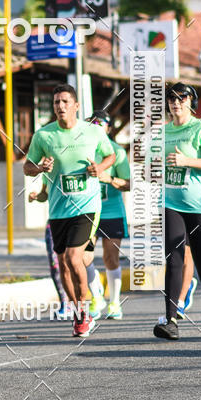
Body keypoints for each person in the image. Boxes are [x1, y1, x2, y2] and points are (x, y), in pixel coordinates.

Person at [23, 84, 116, 337]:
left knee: (75, 258)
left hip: (87, 206)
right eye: (56, 103)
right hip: (58, 210)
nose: (60, 106)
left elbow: (110, 156)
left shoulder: (92, 132)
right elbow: (27, 167)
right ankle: (77, 313)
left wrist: (99, 167)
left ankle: (85, 312)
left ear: (76, 106)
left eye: (65, 101)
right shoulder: (44, 136)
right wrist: (40, 168)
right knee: (63, 263)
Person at [154, 83, 201, 340]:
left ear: (190, 102)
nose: (176, 102)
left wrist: (187, 162)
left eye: (182, 98)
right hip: (171, 204)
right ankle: (170, 321)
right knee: (173, 257)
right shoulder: (162, 132)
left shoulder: (200, 129)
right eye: (171, 98)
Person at [83, 110, 130, 321]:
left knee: (111, 256)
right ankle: (97, 296)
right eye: (92, 124)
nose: (97, 128)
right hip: (88, 211)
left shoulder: (117, 152)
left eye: (101, 124)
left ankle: (114, 302)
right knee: (84, 256)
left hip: (111, 211)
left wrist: (108, 178)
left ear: (108, 129)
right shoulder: (83, 149)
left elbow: (128, 184)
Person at [28, 184, 69, 318]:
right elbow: (44, 194)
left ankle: (84, 298)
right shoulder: (49, 169)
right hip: (54, 222)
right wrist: (36, 196)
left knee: (77, 261)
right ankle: (65, 302)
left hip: (78, 221)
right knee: (55, 263)